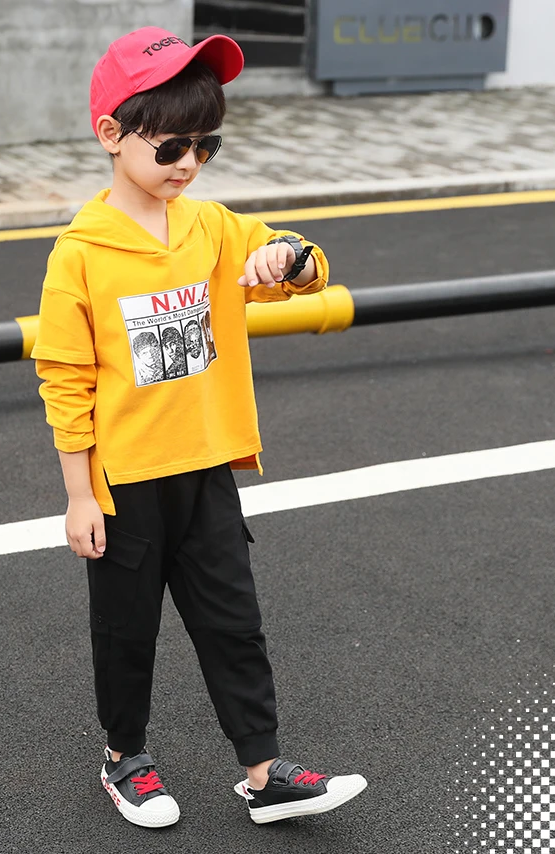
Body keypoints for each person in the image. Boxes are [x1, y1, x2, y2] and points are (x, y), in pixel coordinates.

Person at [31, 26, 367, 829]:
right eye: (172, 144)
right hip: (125, 483)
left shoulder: (210, 227)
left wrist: (288, 257)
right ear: (111, 134)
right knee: (127, 631)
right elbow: (65, 379)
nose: (188, 162)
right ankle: (125, 759)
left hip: (206, 469)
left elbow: (304, 261)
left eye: (205, 145)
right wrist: (79, 496)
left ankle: (264, 772)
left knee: (233, 623)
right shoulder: (80, 254)